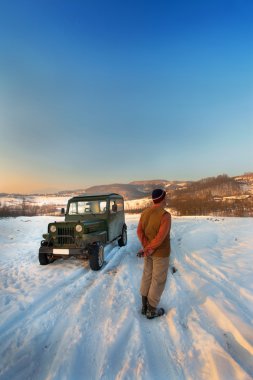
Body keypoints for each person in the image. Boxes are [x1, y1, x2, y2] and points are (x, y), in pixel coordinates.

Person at [137, 189, 171, 319]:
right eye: (165, 198)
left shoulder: (145, 213)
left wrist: (146, 247)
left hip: (148, 251)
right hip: (161, 253)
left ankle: (144, 306)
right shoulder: (165, 215)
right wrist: (150, 248)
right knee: (158, 280)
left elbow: (139, 232)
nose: (166, 200)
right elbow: (160, 238)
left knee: (147, 275)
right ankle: (151, 310)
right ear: (162, 199)